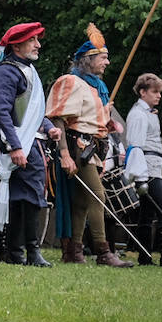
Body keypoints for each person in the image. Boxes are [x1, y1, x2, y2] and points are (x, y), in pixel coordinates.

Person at [46, 25, 132, 267]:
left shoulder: (96, 88)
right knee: (98, 195)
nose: (107, 62)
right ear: (88, 60)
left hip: (92, 147)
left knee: (83, 201)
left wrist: (107, 123)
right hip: (76, 147)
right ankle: (103, 251)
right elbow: (58, 119)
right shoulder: (70, 82)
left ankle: (74, 252)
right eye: (103, 58)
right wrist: (64, 154)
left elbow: (90, 119)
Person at [0, 21, 59, 266]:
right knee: (25, 199)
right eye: (32, 40)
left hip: (31, 144)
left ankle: (19, 253)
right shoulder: (5, 72)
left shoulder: (28, 71)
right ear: (17, 45)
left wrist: (50, 128)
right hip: (18, 146)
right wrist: (15, 146)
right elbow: (2, 113)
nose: (38, 45)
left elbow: (35, 114)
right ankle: (25, 252)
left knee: (28, 198)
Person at [125, 73, 162, 268]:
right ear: (143, 92)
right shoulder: (138, 114)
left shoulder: (149, 113)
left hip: (154, 166)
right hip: (147, 169)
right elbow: (136, 146)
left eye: (160, 92)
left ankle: (145, 257)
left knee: (146, 215)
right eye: (154, 92)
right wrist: (140, 176)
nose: (159, 96)